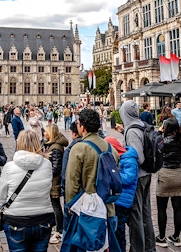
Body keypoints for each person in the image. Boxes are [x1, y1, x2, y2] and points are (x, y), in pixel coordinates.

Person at [65, 108, 120, 252]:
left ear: (82, 127)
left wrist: (70, 207)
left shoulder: (79, 148)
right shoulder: (110, 147)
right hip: (109, 209)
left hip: (88, 213)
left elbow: (72, 183)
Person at [0, 130, 54, 252]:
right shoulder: (47, 164)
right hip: (43, 218)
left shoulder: (9, 167)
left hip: (16, 219)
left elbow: (1, 194)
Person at [120, 99, 156, 252]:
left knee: (136, 216)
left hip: (138, 177)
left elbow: (138, 157)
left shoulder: (132, 130)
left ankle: (137, 248)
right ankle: (150, 247)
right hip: (146, 175)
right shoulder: (140, 124)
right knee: (146, 213)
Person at [154, 117, 181, 247]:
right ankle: (176, 237)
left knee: (162, 208)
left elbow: (154, 145)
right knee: (177, 208)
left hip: (165, 175)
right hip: (179, 175)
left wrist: (158, 133)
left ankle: (162, 237)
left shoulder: (162, 140)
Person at [104, 135, 138, 252]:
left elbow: (129, 178)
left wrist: (113, 174)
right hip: (118, 199)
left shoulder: (129, 159)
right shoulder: (123, 158)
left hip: (122, 201)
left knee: (119, 231)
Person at [43, 124, 68, 244]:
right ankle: (58, 228)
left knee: (56, 205)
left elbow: (56, 168)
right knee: (54, 205)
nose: (44, 134)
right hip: (52, 180)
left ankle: (60, 231)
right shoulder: (51, 145)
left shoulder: (56, 147)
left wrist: (45, 175)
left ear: (51, 133)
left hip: (54, 182)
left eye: (46, 132)